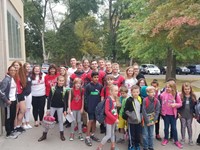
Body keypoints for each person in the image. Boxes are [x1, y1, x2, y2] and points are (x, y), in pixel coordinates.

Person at [38, 76, 68, 142]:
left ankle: (61, 134)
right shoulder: (53, 88)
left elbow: (65, 101)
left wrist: (65, 110)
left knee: (60, 120)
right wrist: (48, 109)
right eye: (60, 80)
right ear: (57, 81)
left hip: (60, 107)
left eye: (62, 81)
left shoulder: (65, 89)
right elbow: (49, 99)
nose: (61, 82)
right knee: (48, 121)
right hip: (52, 107)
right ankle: (44, 135)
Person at [160, 81, 183, 149]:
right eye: (166, 87)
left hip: (173, 115)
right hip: (165, 114)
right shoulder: (163, 94)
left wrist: (175, 105)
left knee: (174, 128)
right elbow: (159, 98)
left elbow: (180, 103)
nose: (167, 88)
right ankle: (166, 139)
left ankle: (176, 140)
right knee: (166, 128)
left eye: (169, 87)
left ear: (173, 88)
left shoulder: (176, 95)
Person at [96, 85, 119, 150]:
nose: (117, 92)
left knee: (113, 133)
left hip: (114, 120)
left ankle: (112, 146)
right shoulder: (108, 100)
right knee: (108, 135)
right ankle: (99, 147)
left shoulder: (114, 99)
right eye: (115, 91)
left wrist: (116, 118)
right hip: (109, 120)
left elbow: (114, 110)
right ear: (111, 91)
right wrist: (114, 119)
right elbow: (107, 112)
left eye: (117, 91)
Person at [84, 71, 103, 147]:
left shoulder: (100, 86)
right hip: (90, 107)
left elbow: (101, 97)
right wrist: (86, 106)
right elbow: (85, 97)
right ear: (91, 78)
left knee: (95, 121)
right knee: (91, 121)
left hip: (97, 108)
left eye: (97, 77)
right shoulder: (88, 86)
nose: (96, 78)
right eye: (94, 77)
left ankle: (92, 134)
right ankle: (87, 137)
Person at [0, 65, 18, 139]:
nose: (13, 71)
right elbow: (1, 92)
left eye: (14, 70)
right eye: (11, 70)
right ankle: (8, 133)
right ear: (8, 71)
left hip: (13, 101)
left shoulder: (12, 79)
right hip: (8, 102)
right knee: (8, 117)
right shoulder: (6, 80)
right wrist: (7, 100)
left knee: (13, 116)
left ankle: (12, 130)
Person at [123, 85, 142, 150]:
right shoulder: (129, 100)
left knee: (137, 134)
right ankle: (131, 145)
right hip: (131, 121)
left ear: (139, 92)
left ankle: (137, 144)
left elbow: (141, 110)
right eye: (134, 92)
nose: (135, 93)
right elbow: (126, 110)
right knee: (131, 135)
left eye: (137, 92)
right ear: (131, 92)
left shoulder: (140, 99)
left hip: (138, 121)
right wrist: (132, 116)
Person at [142, 86, 160, 150]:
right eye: (151, 92)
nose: (153, 93)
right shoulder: (145, 100)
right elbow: (143, 111)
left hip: (152, 119)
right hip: (146, 119)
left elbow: (157, 111)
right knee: (145, 134)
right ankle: (145, 147)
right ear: (147, 93)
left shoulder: (156, 101)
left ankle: (151, 146)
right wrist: (147, 121)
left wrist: (154, 120)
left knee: (151, 134)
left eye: (154, 92)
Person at [11, 61, 27, 133]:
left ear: (20, 66)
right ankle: (14, 127)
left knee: (23, 110)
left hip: (21, 94)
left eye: (17, 65)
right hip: (15, 95)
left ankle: (18, 126)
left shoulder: (21, 74)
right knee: (16, 112)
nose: (16, 66)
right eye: (15, 65)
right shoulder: (11, 73)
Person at [22, 62, 32, 129]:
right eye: (27, 67)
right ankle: (23, 123)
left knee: (28, 108)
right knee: (23, 109)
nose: (28, 68)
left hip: (29, 93)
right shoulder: (22, 75)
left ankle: (27, 122)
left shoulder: (30, 75)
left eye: (29, 67)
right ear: (24, 68)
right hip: (23, 94)